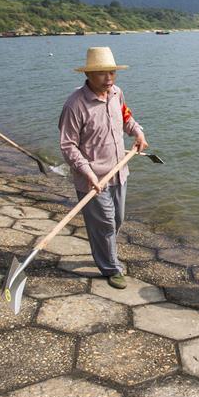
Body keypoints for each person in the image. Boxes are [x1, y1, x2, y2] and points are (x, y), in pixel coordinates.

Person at [58, 47, 148, 289]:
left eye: (111, 73)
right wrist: (87, 172)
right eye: (102, 74)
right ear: (88, 75)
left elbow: (126, 117)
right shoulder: (75, 105)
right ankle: (110, 267)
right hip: (92, 178)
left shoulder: (116, 93)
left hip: (119, 170)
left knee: (116, 220)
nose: (108, 78)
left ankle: (106, 252)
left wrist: (138, 132)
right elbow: (67, 146)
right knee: (105, 223)